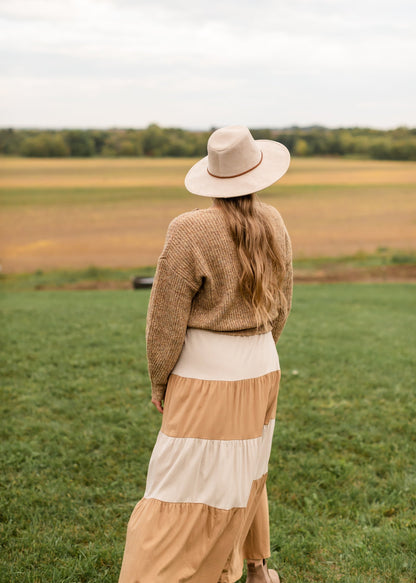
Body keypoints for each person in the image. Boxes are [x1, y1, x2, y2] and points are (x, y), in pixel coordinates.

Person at [118, 125, 293, 583]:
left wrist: (160, 380)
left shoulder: (189, 229)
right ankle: (257, 571)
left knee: (180, 486)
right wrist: (257, 352)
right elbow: (283, 305)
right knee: (247, 469)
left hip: (205, 376)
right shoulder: (274, 221)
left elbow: (165, 320)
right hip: (262, 366)